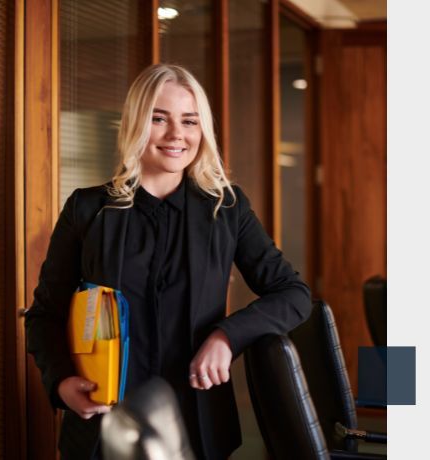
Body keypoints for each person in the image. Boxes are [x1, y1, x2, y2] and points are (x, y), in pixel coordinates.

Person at [26, 64, 311, 460]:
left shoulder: (227, 208)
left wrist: (227, 337)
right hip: (103, 430)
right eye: (159, 119)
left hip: (199, 428)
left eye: (189, 121)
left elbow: (293, 294)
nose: (177, 134)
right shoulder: (86, 209)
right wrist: (61, 383)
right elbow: (44, 315)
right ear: (135, 125)